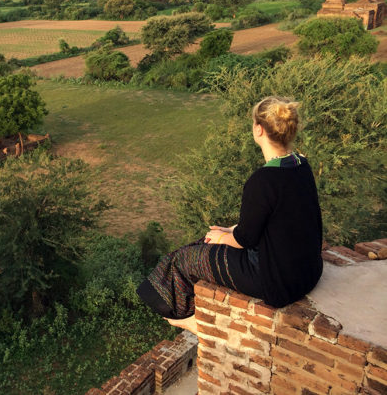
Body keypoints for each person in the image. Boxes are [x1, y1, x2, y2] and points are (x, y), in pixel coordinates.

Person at [137, 96, 323, 333]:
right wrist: (230, 231)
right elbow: (275, 220)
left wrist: (223, 238)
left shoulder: (263, 180)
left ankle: (191, 317)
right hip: (308, 272)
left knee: (186, 259)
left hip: (277, 281)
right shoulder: (300, 165)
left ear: (258, 129)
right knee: (208, 243)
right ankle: (197, 309)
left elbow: (245, 240)